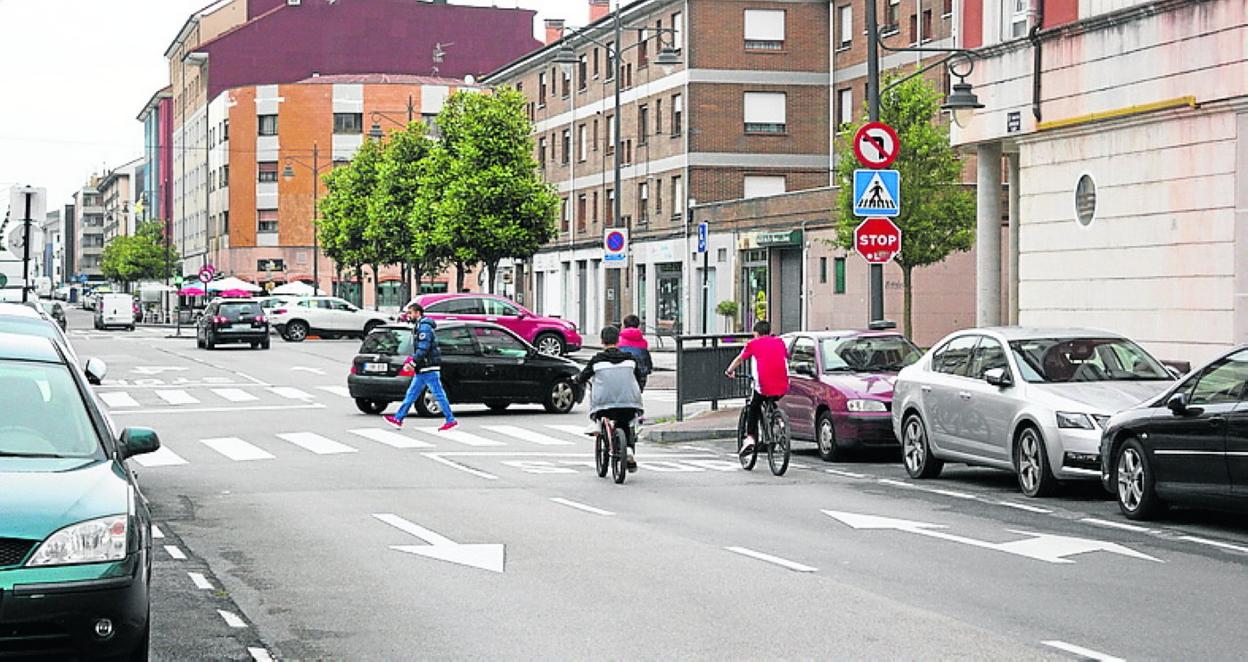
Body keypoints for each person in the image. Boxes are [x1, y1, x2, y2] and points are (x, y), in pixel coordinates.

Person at [576, 326, 645, 472]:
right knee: (626, 423)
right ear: (618, 340)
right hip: (629, 401)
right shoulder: (630, 359)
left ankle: (596, 424)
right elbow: (640, 377)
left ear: (602, 341)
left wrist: (577, 380)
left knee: (596, 396)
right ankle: (629, 451)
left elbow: (583, 377)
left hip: (604, 403)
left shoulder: (597, 360)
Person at [384, 302, 458, 432]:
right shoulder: (419, 326)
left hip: (428, 367)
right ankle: (398, 418)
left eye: (410, 313)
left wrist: (413, 363)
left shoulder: (424, 327)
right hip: (423, 368)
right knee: (411, 394)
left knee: (438, 394)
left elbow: (423, 348)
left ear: (417, 313)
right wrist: (413, 361)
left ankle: (450, 419)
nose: (408, 316)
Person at [724, 320, 789, 456]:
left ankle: (750, 438)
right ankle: (778, 424)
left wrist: (730, 370)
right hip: (783, 385)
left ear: (756, 333)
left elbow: (740, 359)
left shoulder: (753, 344)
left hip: (763, 385)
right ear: (769, 332)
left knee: (754, 406)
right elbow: (786, 357)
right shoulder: (780, 342)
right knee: (772, 399)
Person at [617, 314, 652, 391]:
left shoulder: (618, 341)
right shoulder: (643, 342)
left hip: (622, 374)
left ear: (624, 325)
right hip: (640, 375)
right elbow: (646, 359)